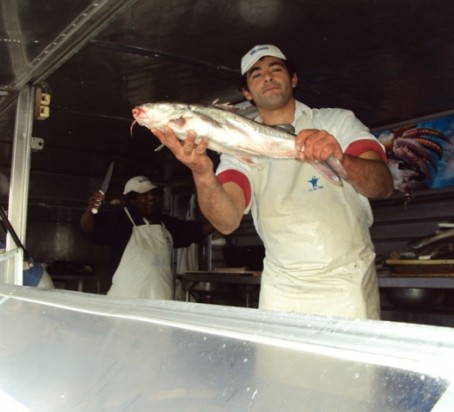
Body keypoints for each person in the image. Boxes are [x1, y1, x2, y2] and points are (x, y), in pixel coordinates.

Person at [150, 44, 394, 319]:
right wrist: (202, 172)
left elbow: (383, 185)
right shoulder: (237, 147)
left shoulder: (336, 121)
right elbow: (226, 221)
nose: (267, 77)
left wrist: (342, 159)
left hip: (347, 281)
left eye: (275, 69)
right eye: (256, 74)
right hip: (282, 286)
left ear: (293, 79)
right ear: (246, 93)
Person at [80, 175, 214, 299]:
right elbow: (89, 228)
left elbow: (195, 231)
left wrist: (221, 220)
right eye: (144, 194)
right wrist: (90, 210)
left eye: (152, 193)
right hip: (126, 303)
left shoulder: (164, 223)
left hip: (160, 302)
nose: (151, 198)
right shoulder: (118, 220)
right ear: (131, 199)